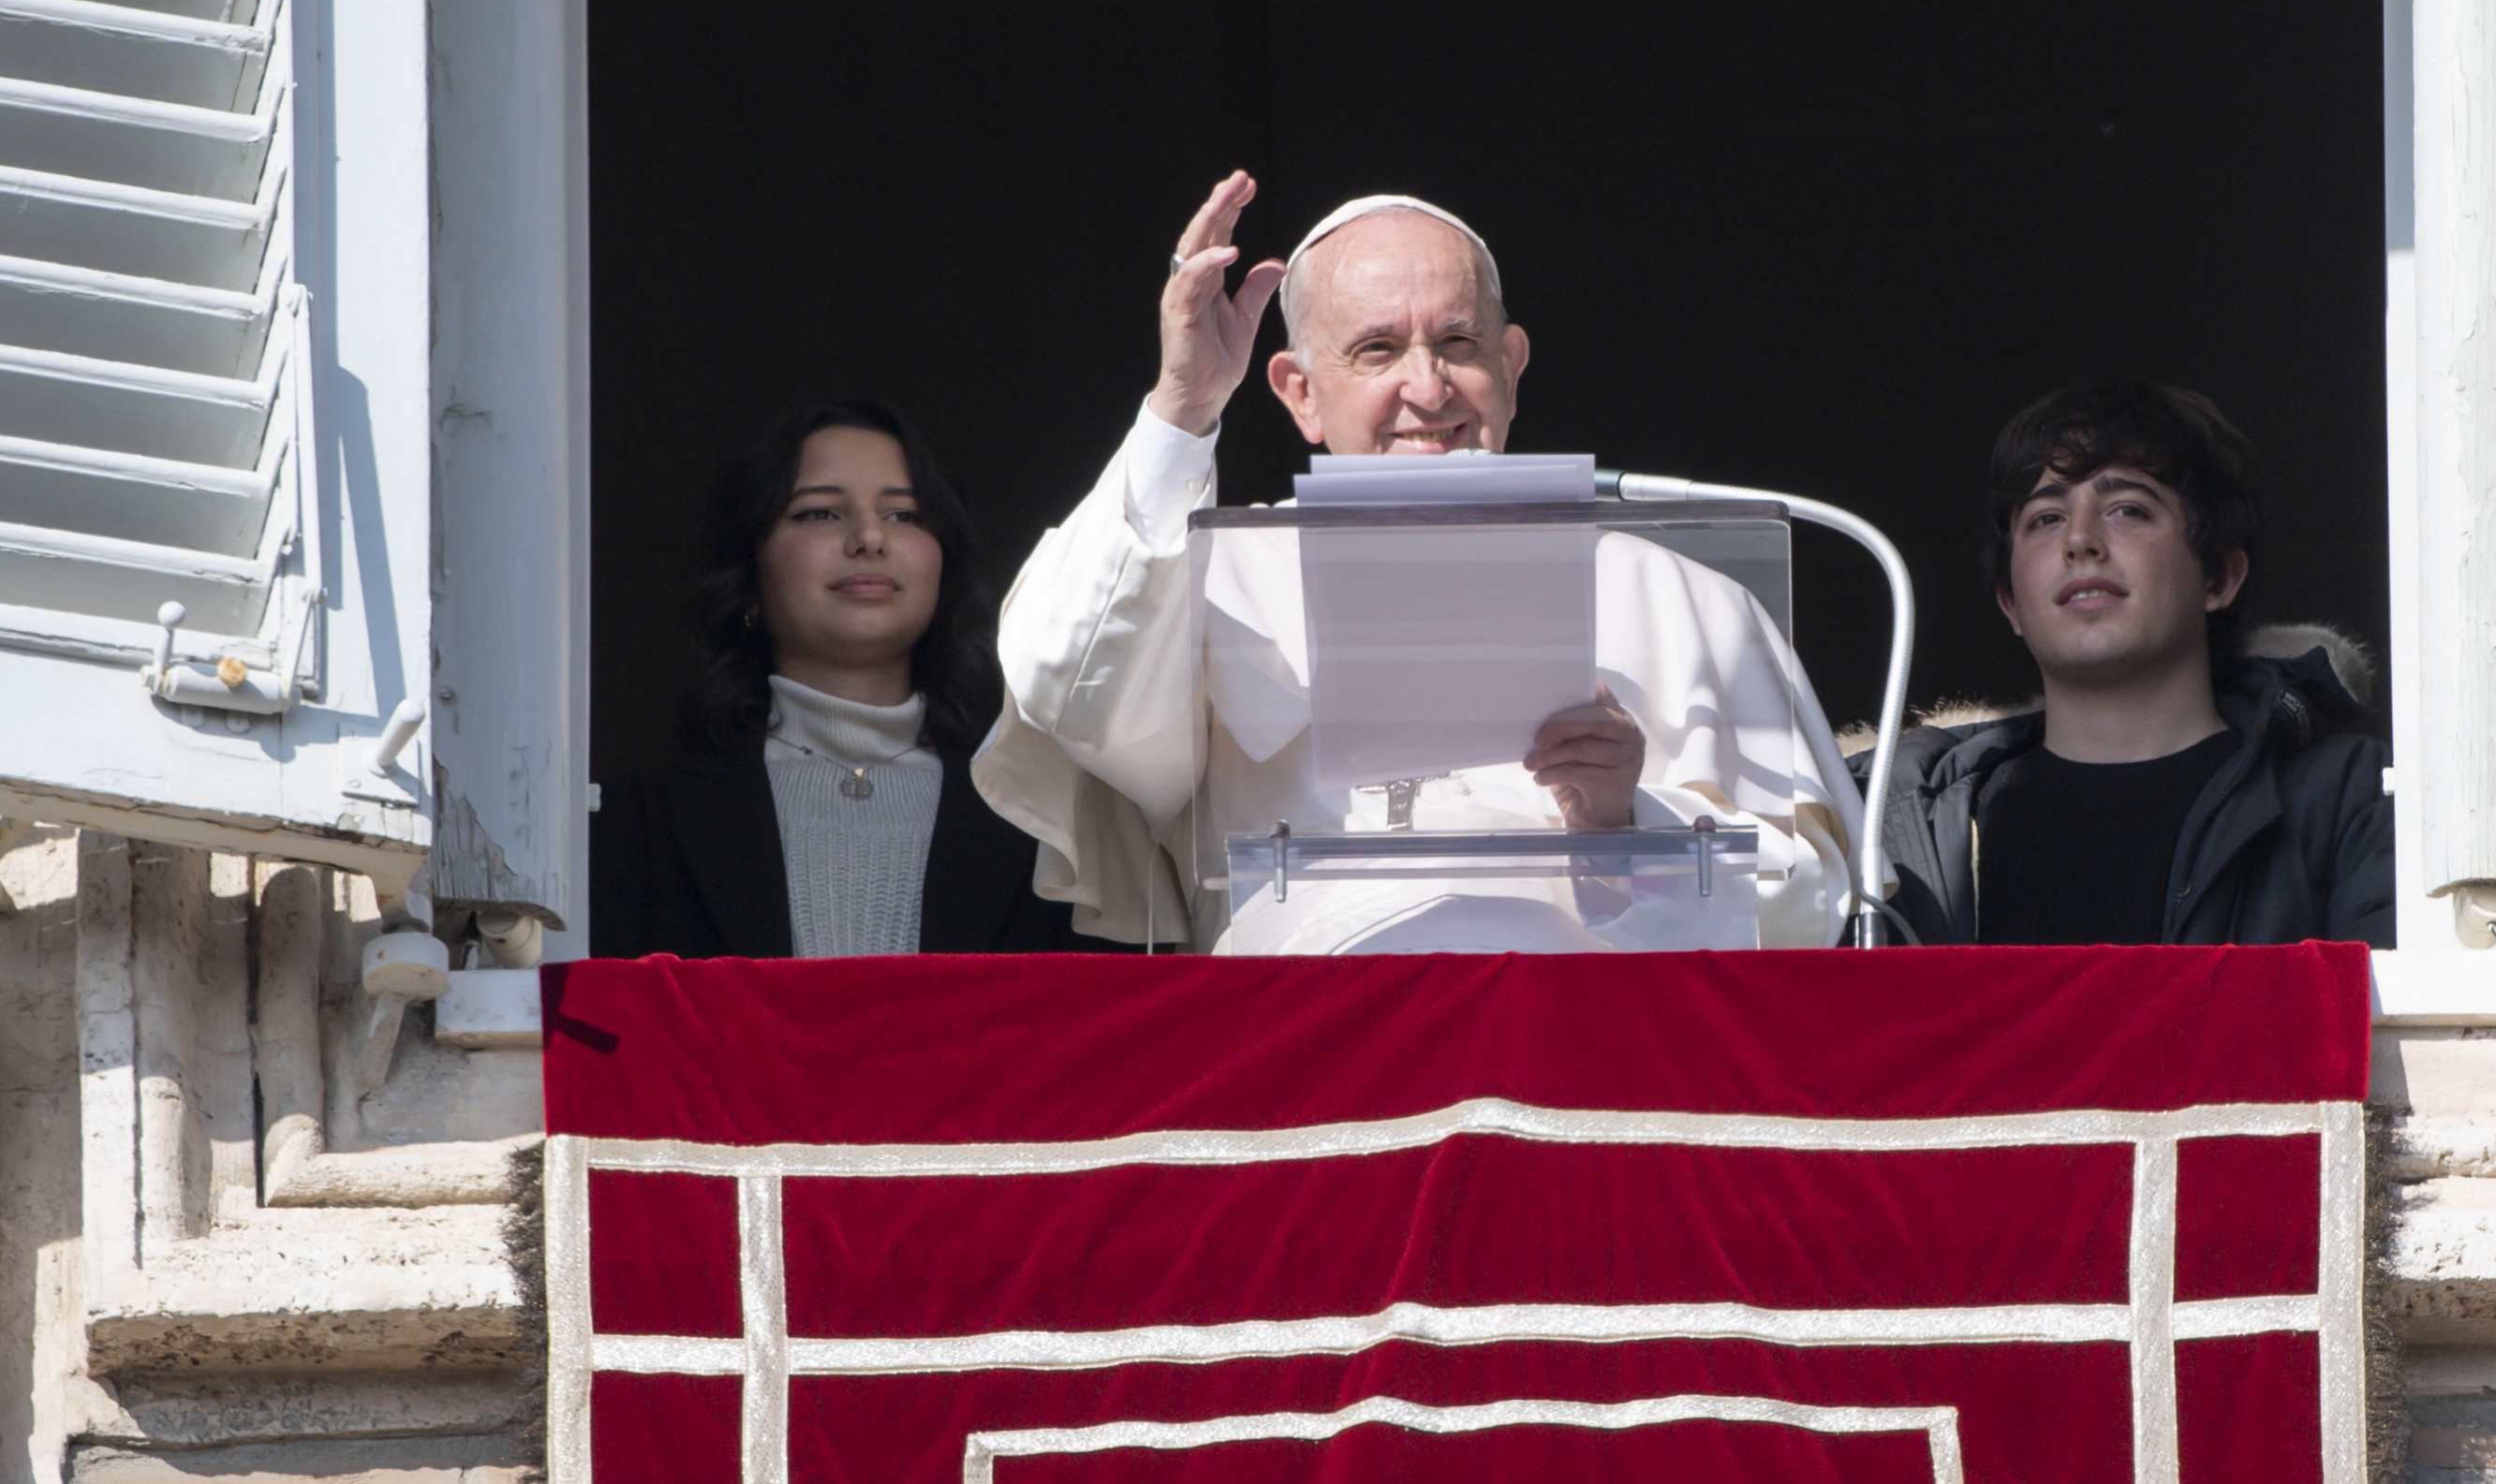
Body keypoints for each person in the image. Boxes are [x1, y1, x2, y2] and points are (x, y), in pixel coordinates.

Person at [972, 172, 1861, 952]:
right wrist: (1182, 411)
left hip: (1583, 1053)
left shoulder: (1683, 597)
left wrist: (1628, 824)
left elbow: (1817, 906)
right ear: (1298, 392)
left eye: (1460, 345)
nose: (1429, 389)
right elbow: (1071, 689)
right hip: (1311, 1057)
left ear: (1511, 368)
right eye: (1377, 350)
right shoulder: (1215, 572)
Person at [1865, 376, 2393, 948]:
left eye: (2127, 509)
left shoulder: (2350, 797)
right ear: (2010, 602)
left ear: (2219, 576)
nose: (2080, 541)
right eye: (2046, 518)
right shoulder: (1890, 823)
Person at [591, 400, 1100, 958]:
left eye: (905, 514)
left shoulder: (1041, 826)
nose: (869, 538)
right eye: (820, 513)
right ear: (748, 575)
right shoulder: (635, 827)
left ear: (943, 568)